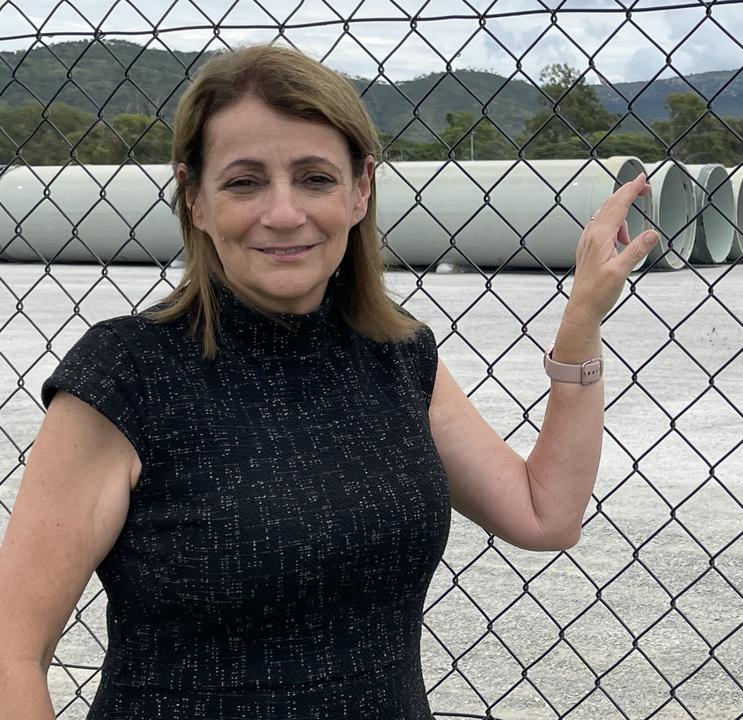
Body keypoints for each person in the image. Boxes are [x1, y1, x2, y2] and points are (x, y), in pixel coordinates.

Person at [0, 43, 659, 719]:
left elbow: (545, 514)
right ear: (195, 199)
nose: (284, 213)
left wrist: (581, 320)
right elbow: (11, 653)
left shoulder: (398, 358)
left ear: (360, 190)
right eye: (244, 181)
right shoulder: (125, 376)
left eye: (315, 178)